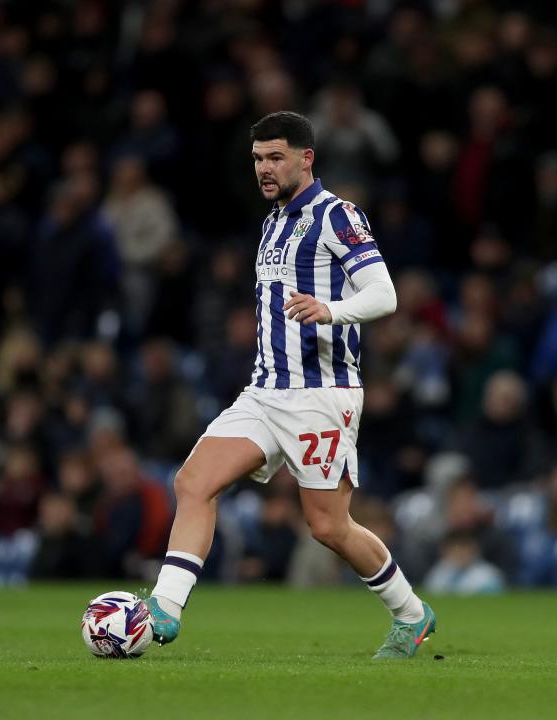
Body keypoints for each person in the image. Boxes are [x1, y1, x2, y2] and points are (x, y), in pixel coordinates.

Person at [146, 112, 435, 659]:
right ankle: (164, 607)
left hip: (321, 394)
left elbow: (385, 294)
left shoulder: (337, 215)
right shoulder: (273, 223)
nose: (265, 168)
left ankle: (411, 613)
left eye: (276, 157)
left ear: (307, 158)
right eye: (258, 158)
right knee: (193, 482)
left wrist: (331, 310)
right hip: (265, 391)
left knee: (328, 527)